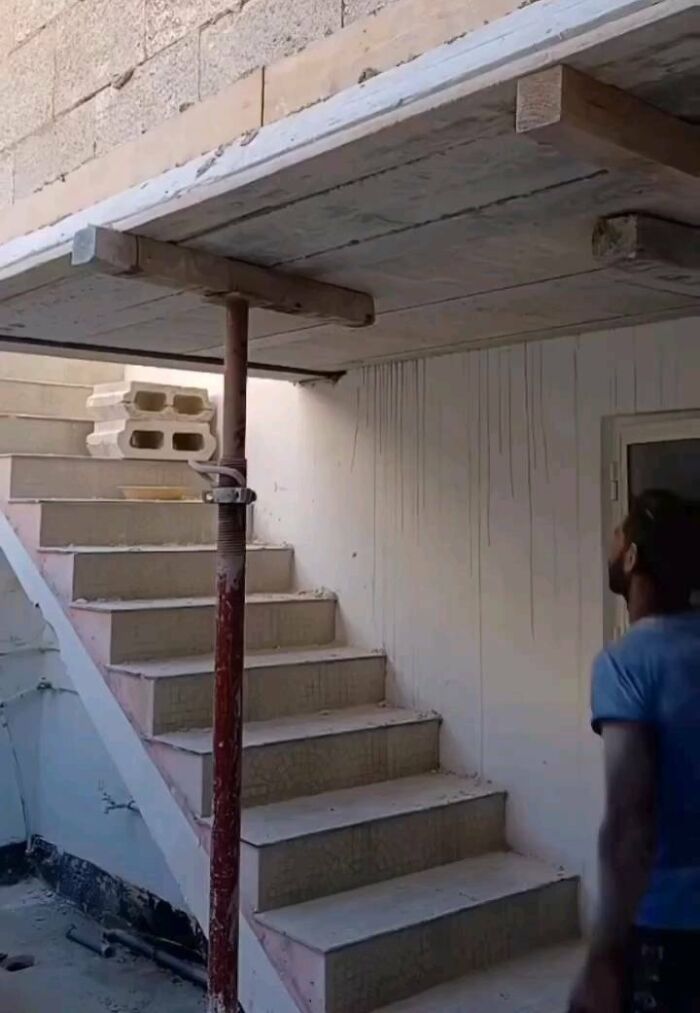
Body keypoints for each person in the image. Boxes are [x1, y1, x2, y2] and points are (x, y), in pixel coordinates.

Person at [570, 489, 700, 1013]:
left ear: (632, 556)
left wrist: (603, 955)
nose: (611, 543)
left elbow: (629, 824)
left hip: (668, 932)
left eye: (617, 534)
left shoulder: (625, 664)